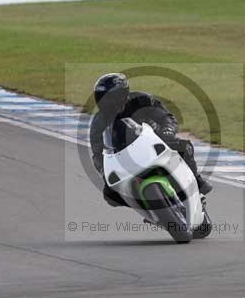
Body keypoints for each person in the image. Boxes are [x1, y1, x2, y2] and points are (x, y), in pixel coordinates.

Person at [89, 73, 213, 207]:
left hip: (153, 142)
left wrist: (168, 131)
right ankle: (145, 207)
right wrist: (104, 172)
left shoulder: (142, 100)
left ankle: (196, 180)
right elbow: (97, 153)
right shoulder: (98, 122)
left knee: (184, 147)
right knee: (110, 195)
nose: (108, 103)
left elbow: (166, 117)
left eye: (110, 99)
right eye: (103, 99)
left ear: (122, 95)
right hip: (125, 157)